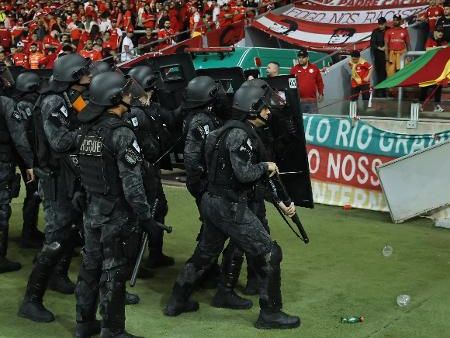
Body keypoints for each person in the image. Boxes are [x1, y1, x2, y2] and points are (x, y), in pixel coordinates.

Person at [164, 80, 300, 330]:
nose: (269, 112)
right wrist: (265, 166)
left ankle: (177, 299)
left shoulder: (221, 130)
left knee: (204, 254)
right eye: (265, 108)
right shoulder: (240, 134)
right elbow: (244, 174)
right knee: (271, 252)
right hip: (229, 205)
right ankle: (270, 313)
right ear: (252, 108)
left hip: (211, 201)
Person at [74, 71, 161, 338]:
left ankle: (84, 324)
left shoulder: (88, 129)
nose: (129, 95)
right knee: (114, 270)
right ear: (114, 98)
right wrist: (146, 217)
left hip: (92, 209)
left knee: (90, 267)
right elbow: (132, 184)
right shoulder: (121, 133)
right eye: (124, 92)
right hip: (115, 214)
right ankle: (112, 331)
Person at [18, 54, 91, 323]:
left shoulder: (73, 96)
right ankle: (31, 300)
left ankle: (58, 277)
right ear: (74, 76)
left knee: (70, 229)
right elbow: (59, 141)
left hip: (69, 175)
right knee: (56, 236)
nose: (90, 76)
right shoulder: (53, 101)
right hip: (55, 178)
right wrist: (89, 133)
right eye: (85, 72)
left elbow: (85, 116)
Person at [126, 65, 175, 270]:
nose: (153, 94)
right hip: (142, 170)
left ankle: (155, 254)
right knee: (141, 215)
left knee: (158, 209)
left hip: (148, 170)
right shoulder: (137, 113)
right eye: (151, 90)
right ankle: (134, 262)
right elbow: (149, 147)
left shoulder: (143, 109)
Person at [0, 84, 35, 273]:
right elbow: (18, 135)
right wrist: (29, 162)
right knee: (1, 208)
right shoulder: (6, 103)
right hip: (2, 163)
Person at [13, 72, 44, 249]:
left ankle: (30, 230)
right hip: (30, 158)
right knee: (34, 194)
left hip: (28, 156)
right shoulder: (26, 105)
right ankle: (28, 233)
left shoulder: (24, 102)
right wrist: (30, 161)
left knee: (34, 194)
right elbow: (24, 136)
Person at [421, 26, 447, 113]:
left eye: (442, 32)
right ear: (435, 32)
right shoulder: (430, 39)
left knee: (438, 88)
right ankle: (421, 105)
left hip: (438, 69)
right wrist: (439, 48)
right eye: (439, 31)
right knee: (425, 87)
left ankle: (436, 106)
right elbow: (428, 49)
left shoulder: (443, 42)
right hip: (428, 68)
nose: (441, 33)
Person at [290, 49, 324, 114]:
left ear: (308, 58)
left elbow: (319, 82)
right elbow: (291, 84)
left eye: (303, 57)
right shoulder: (294, 69)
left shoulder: (314, 68)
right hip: (299, 100)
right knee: (300, 121)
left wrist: (321, 93)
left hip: (312, 101)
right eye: (299, 57)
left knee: (313, 119)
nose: (300, 59)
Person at [370, 17, 388, 97]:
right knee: (380, 73)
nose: (380, 26)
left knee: (389, 72)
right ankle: (381, 91)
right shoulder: (375, 31)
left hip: (389, 54)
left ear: (385, 23)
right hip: (379, 55)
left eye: (382, 24)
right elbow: (372, 43)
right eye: (379, 24)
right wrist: (379, 48)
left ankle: (389, 91)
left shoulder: (389, 30)